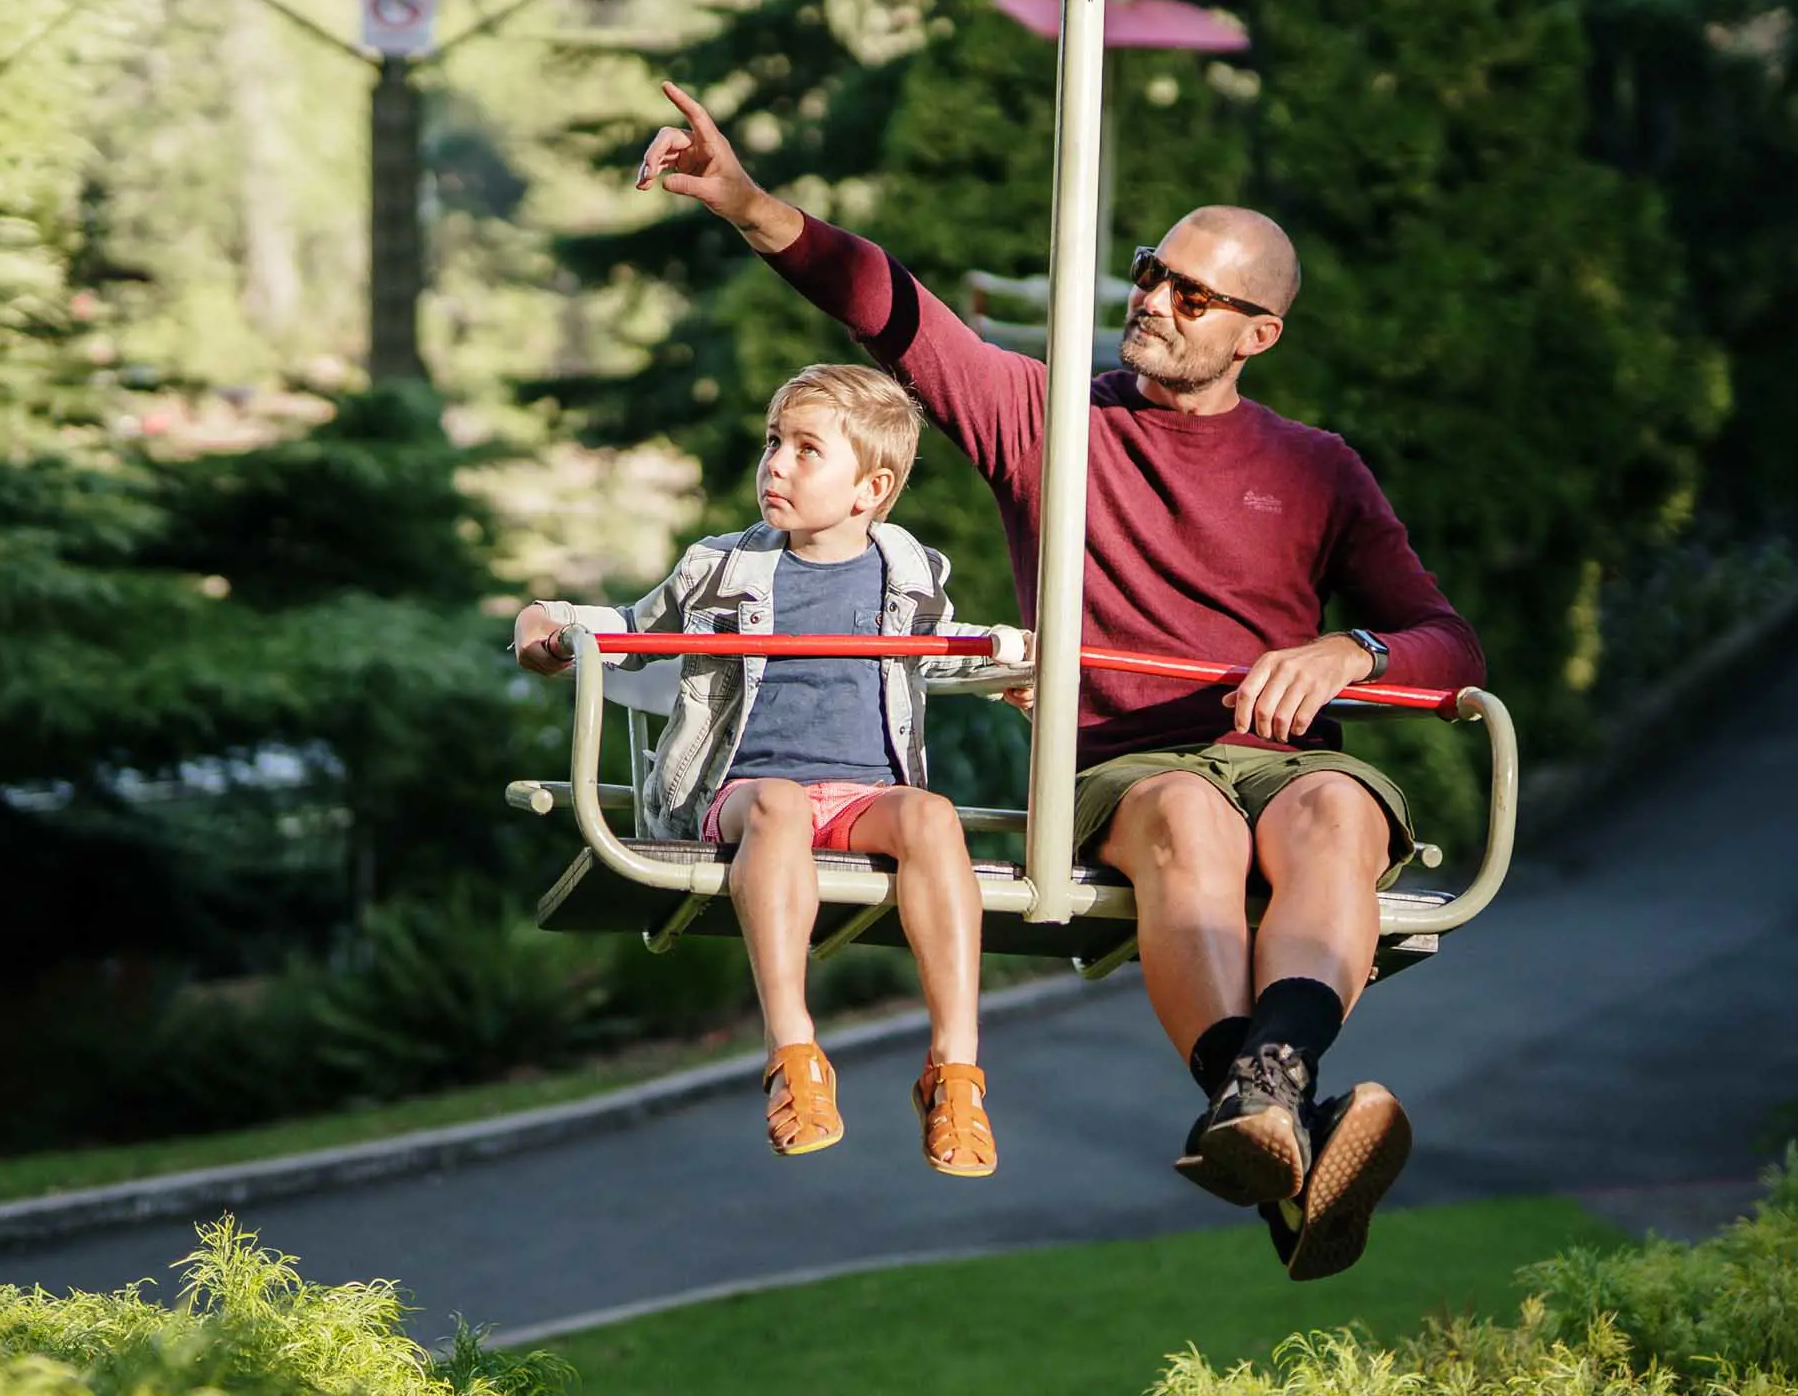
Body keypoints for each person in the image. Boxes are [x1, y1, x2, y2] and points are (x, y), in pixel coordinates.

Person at [628, 83, 1484, 1281]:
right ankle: (1284, 1103)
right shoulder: (1047, 420)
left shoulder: (1315, 469)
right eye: (1150, 269)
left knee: (1340, 808)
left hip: (1285, 754)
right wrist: (747, 203)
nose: (1154, 300)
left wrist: (1356, 653)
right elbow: (893, 310)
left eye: (1194, 294)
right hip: (1132, 762)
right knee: (1190, 824)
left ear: (1256, 332)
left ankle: (1267, 1102)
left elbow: (1444, 639)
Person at [513, 363, 1029, 1176]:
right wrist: (546, 623)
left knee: (930, 815)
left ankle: (955, 1074)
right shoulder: (721, 568)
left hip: (863, 795)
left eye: (806, 450)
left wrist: (1010, 676)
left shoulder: (909, 571)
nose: (776, 465)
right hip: (740, 795)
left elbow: (937, 655)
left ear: (870, 488)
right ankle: (793, 1051)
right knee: (783, 804)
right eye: (773, 443)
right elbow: (626, 627)